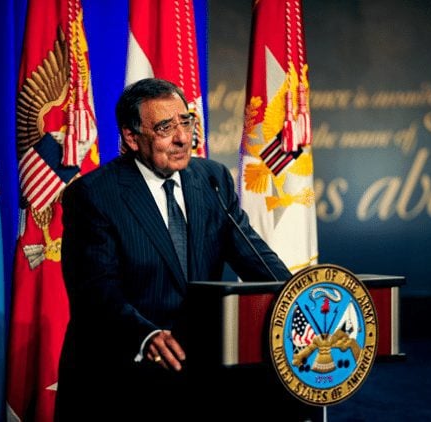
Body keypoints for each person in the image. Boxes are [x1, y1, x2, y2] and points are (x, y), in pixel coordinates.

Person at [55, 78, 294, 420]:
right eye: (165, 128)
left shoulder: (211, 179)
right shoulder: (95, 194)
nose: (183, 137)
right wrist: (146, 334)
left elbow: (255, 257)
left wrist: (299, 296)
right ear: (132, 137)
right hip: (121, 376)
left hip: (198, 373)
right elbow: (95, 290)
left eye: (186, 122)